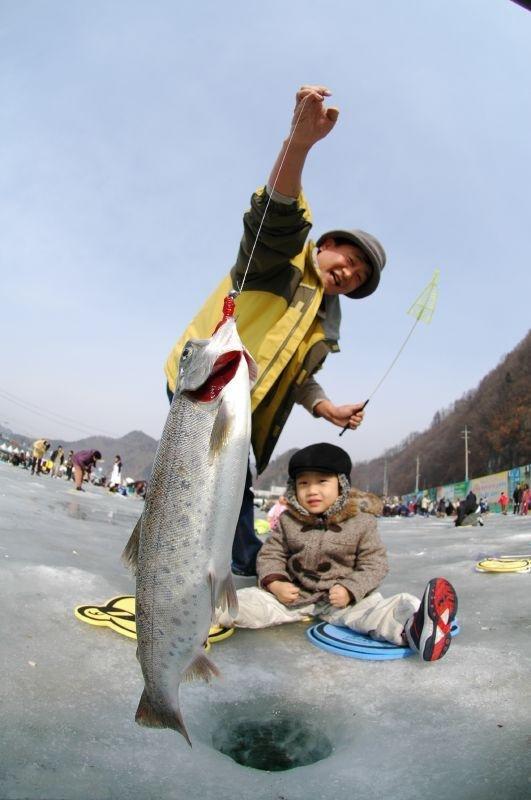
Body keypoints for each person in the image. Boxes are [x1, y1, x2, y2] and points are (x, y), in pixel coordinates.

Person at [164, 85, 387, 576]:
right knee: (186, 490)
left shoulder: (326, 323)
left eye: (359, 277)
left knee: (231, 496)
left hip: (248, 414)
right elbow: (275, 217)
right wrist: (299, 144)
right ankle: (177, 573)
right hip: (205, 386)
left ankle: (237, 574)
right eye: (348, 260)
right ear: (326, 245)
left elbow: (298, 379)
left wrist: (325, 407)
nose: (349, 274)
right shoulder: (280, 262)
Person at [216, 443, 458, 662]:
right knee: (244, 602)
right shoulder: (289, 520)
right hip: (294, 597)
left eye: (322, 482)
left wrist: (350, 589)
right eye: (303, 483)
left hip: (344, 602)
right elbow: (271, 555)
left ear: (341, 485)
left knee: (376, 614)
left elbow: (375, 564)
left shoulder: (361, 522)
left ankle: (417, 625)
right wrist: (276, 583)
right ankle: (202, 615)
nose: (312, 490)